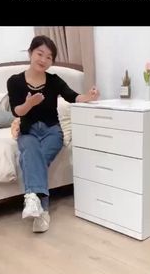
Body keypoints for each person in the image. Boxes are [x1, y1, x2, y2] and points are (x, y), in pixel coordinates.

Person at [7, 35, 99, 233]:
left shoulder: (54, 80)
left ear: (52, 61)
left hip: (52, 131)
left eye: (49, 57)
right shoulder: (14, 81)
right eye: (40, 54)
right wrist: (30, 103)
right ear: (31, 53)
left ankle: (32, 198)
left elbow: (72, 96)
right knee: (31, 151)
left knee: (30, 158)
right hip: (28, 130)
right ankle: (42, 211)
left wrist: (89, 97)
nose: (43, 60)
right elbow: (17, 112)